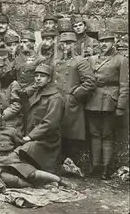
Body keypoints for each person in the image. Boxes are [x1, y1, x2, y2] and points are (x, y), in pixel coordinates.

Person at [0, 104, 72, 189]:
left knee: (31, 173)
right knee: (8, 179)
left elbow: (21, 145)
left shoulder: (11, 130)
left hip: (11, 159)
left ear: (2, 115)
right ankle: (37, 186)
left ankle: (60, 181)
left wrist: (15, 154)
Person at [85, 31, 128, 179]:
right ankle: (95, 167)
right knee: (94, 134)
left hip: (110, 101)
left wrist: (121, 106)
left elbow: (124, 85)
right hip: (93, 100)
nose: (104, 44)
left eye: (107, 41)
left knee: (107, 135)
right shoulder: (92, 59)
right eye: (101, 42)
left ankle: (105, 168)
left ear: (113, 42)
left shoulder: (121, 60)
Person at [53, 32, 96, 165]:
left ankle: (73, 164)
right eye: (64, 43)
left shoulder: (80, 61)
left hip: (71, 102)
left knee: (71, 134)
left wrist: (75, 95)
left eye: (70, 43)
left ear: (75, 45)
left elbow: (89, 82)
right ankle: (59, 164)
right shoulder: (58, 61)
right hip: (57, 101)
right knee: (57, 132)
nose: (66, 46)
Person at [19, 64, 64, 174]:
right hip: (32, 136)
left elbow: (50, 124)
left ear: (49, 79)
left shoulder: (55, 97)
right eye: (36, 75)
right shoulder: (36, 93)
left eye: (42, 76)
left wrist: (30, 137)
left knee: (19, 155)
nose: (38, 78)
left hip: (47, 141)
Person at [0, 58, 23, 132]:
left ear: (4, 69)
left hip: (11, 120)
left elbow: (17, 104)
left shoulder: (13, 83)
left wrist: (2, 115)